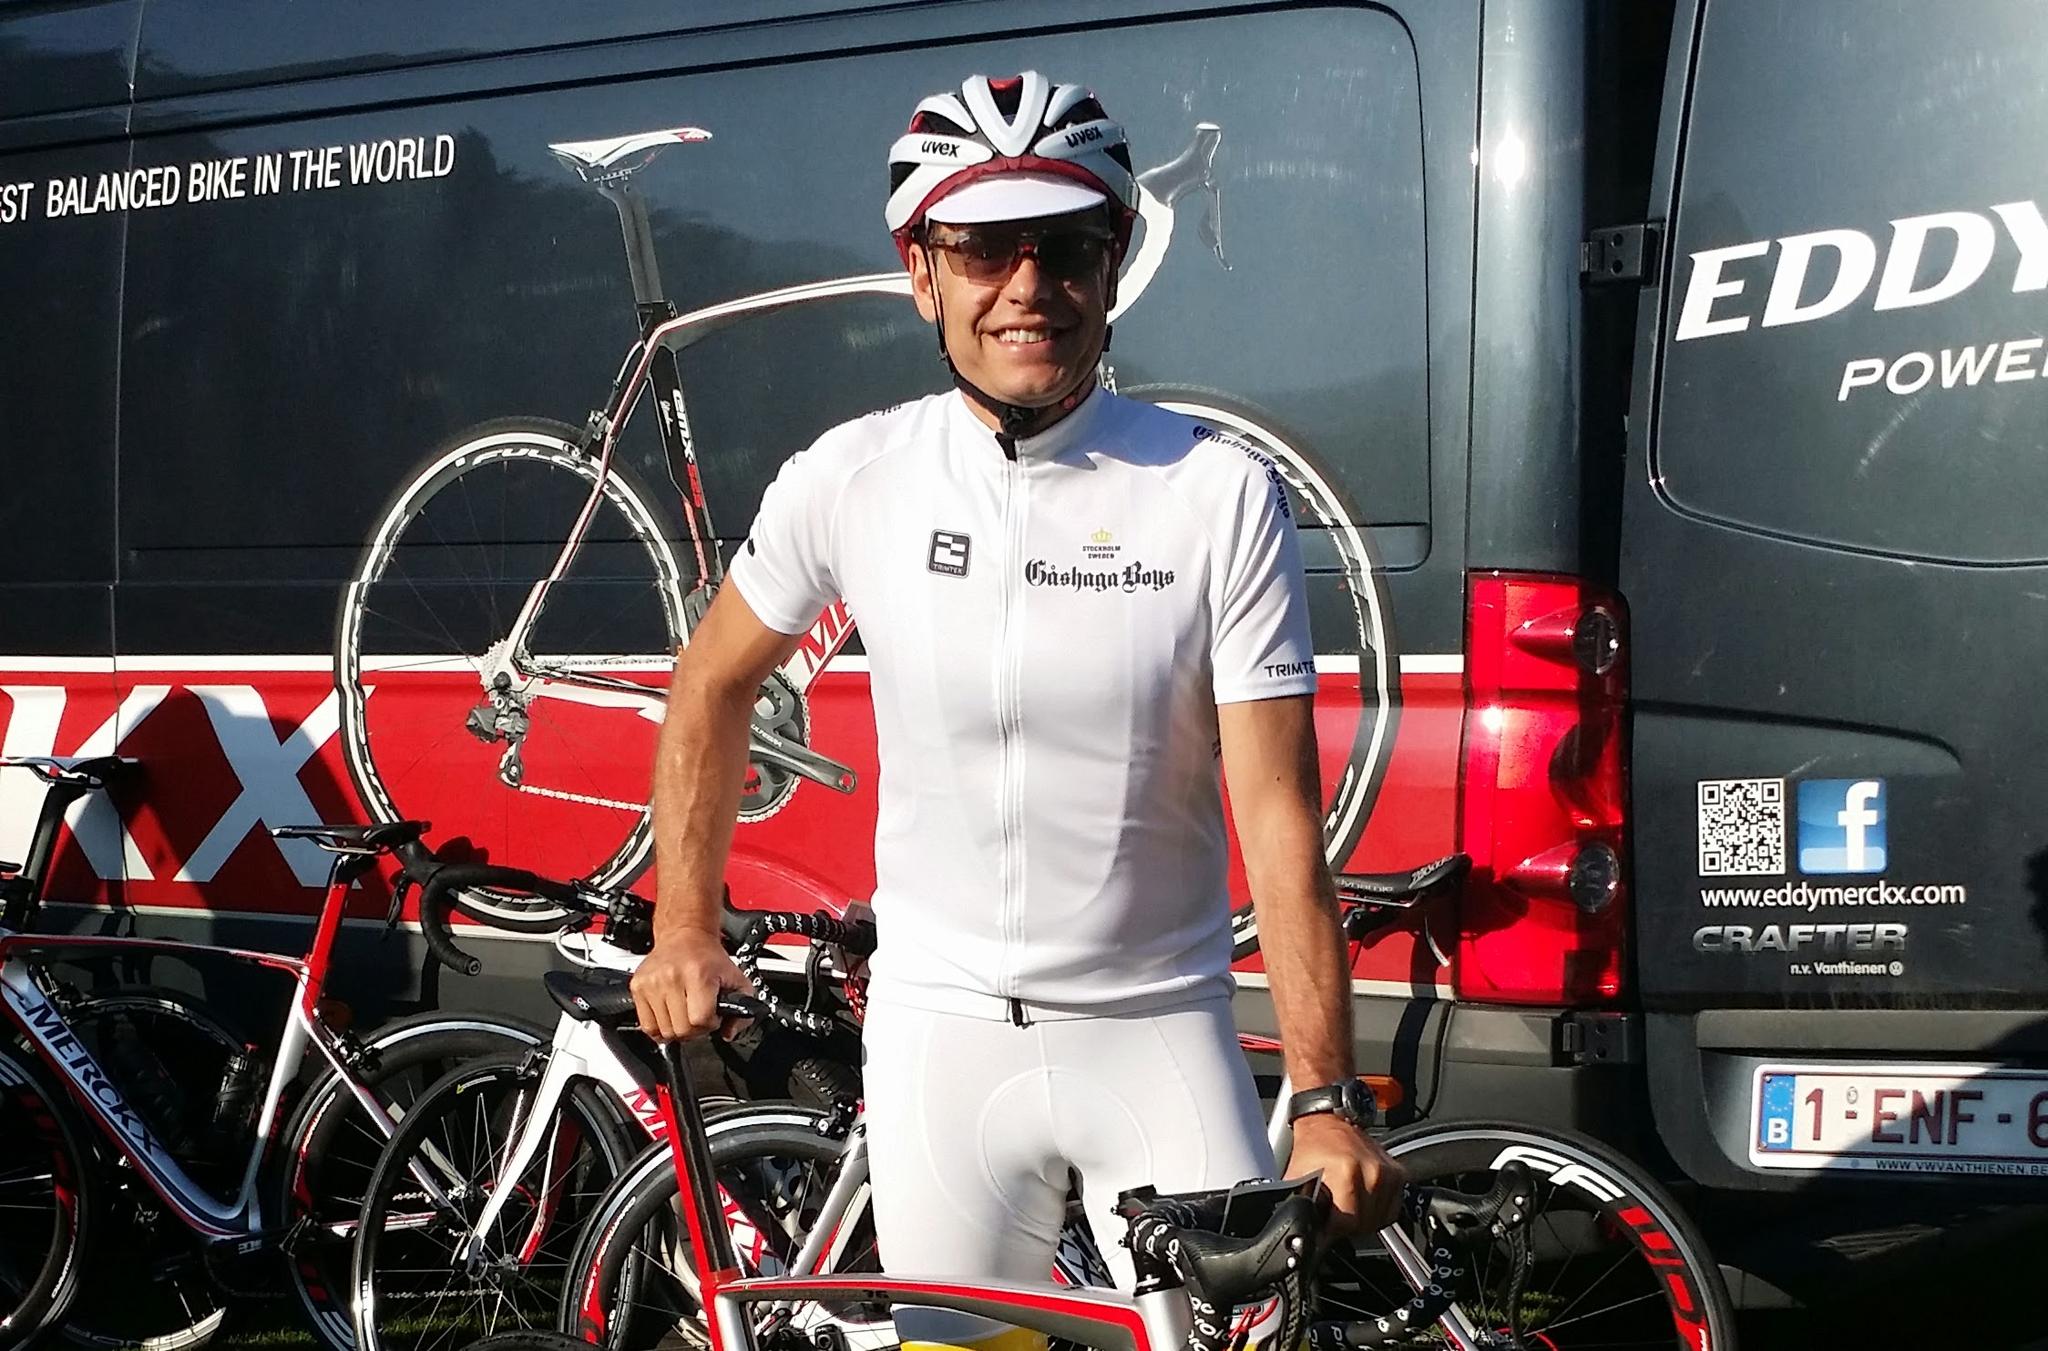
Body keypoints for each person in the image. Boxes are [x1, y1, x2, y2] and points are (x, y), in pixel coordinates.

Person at [631, 69, 1403, 1351]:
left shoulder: (1214, 492)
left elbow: (1278, 818)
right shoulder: (854, 475)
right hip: (939, 1047)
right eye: (985, 248)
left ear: (1113, 264)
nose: (1027, 285)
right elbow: (709, 683)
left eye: (1067, 245)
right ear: (921, 272)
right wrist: (681, 925)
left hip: (1156, 1035)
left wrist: (1325, 1099)